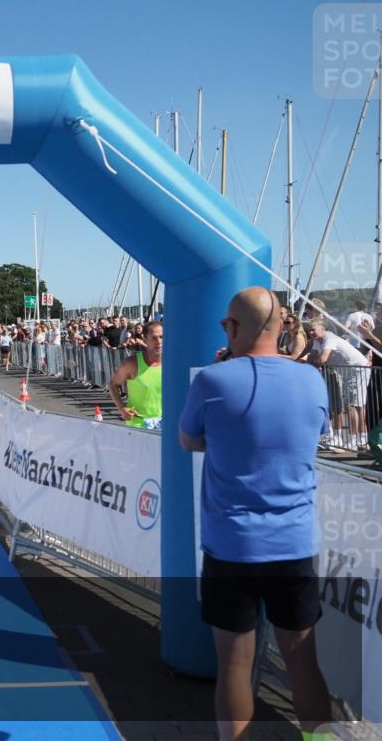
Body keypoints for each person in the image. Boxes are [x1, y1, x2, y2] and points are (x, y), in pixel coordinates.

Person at [178, 287, 330, 741]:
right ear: (281, 326)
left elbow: (188, 440)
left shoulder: (213, 381)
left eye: (226, 324)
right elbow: (314, 433)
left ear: (234, 328)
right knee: (303, 659)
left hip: (233, 544)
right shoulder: (312, 380)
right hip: (295, 542)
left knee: (235, 664)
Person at [309, 318, 369, 450]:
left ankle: (354, 441)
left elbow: (322, 358)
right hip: (349, 372)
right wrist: (308, 362)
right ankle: (361, 439)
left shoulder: (329, 338)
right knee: (356, 406)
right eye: (310, 330)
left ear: (323, 329)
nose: (311, 332)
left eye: (313, 330)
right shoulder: (317, 341)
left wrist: (308, 366)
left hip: (357, 370)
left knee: (354, 406)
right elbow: (312, 356)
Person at [107, 321, 162, 429]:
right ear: (145, 340)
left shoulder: (171, 363)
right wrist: (122, 408)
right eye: (154, 338)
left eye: (162, 337)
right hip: (139, 424)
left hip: (165, 424)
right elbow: (112, 384)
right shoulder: (132, 363)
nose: (159, 342)